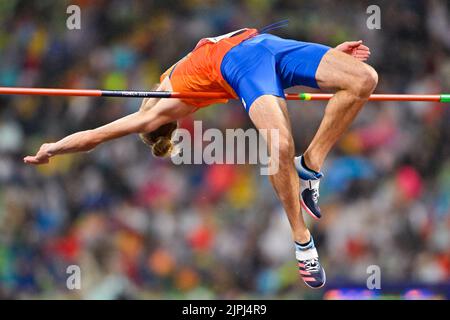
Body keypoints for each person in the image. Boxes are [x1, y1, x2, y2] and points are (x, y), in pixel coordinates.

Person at [24, 25, 377, 289]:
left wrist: (327, 58)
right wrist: (53, 148)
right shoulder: (158, 111)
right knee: (279, 144)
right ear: (162, 122)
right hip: (243, 66)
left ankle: (310, 164)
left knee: (363, 79)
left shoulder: (169, 73)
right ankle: (302, 240)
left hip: (268, 45)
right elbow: (97, 136)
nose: (144, 101)